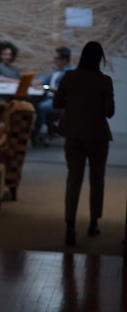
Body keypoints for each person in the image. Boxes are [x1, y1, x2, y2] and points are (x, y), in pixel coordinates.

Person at [53, 41, 115, 246]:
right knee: (97, 179)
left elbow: (56, 103)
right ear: (100, 59)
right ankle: (93, 222)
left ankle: (70, 225)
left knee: (74, 179)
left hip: (74, 133)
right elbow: (109, 112)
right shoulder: (105, 81)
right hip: (98, 135)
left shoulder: (69, 77)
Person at [31, 46, 74, 146]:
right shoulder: (56, 71)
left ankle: (35, 135)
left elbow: (63, 91)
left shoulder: (70, 73)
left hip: (59, 100)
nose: (54, 60)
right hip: (48, 97)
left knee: (41, 107)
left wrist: (45, 87)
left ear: (64, 59)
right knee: (30, 101)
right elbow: (45, 79)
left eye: (57, 58)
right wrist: (37, 82)